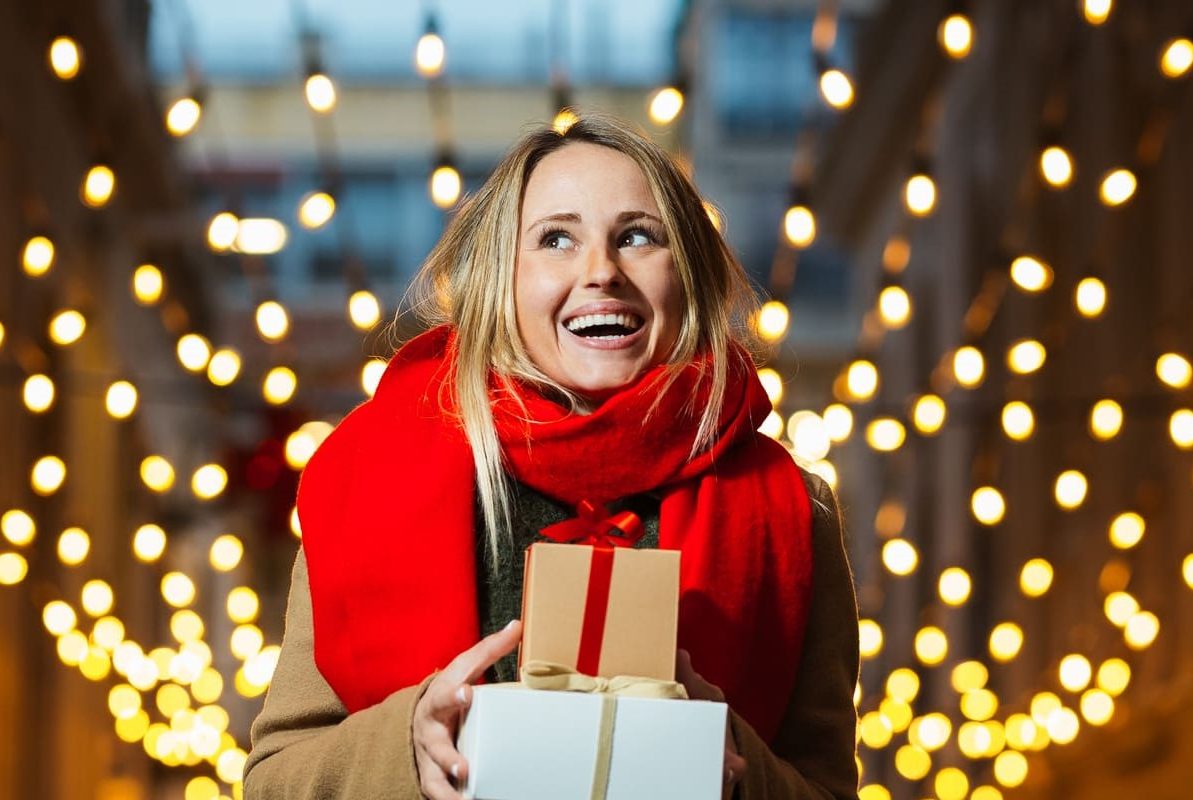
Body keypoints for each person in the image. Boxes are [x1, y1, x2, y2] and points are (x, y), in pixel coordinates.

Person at [243, 112, 859, 800]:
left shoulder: (792, 510)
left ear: (687, 276)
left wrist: (737, 766)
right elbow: (273, 781)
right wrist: (408, 743)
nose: (602, 272)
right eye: (556, 239)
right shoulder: (370, 481)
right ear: (500, 282)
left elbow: (827, 789)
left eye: (637, 236)